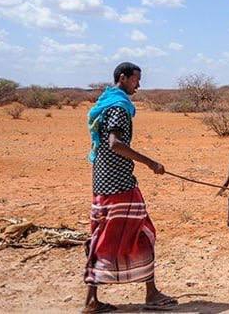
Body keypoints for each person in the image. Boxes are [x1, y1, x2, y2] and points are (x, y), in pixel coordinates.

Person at [82, 62, 176, 313]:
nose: (139, 85)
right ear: (122, 78)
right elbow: (115, 144)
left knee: (100, 238)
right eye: (135, 79)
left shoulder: (105, 102)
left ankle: (92, 299)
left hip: (103, 183)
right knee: (144, 233)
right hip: (120, 185)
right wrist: (150, 162)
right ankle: (151, 294)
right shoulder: (119, 108)